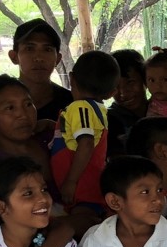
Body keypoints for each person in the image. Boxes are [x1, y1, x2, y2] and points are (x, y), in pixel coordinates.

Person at [50, 48, 119, 214]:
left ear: (72, 78)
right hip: (84, 189)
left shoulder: (80, 107)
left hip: (82, 189)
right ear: (111, 93)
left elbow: (86, 143)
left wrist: (71, 181)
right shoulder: (97, 110)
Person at [9, 18, 72, 122]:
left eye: (47, 49)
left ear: (58, 59)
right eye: (29, 49)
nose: (39, 57)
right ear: (14, 57)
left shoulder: (72, 104)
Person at [106, 49, 149, 153]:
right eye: (116, 87)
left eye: (130, 82)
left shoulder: (164, 109)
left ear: (145, 80)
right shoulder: (109, 121)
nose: (123, 94)